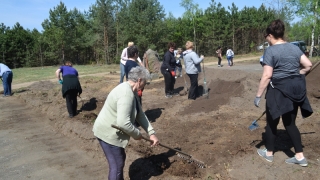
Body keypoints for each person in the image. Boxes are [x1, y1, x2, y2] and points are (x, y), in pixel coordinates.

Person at [254, 19, 313, 167]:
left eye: (266, 37)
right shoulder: (294, 48)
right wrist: (295, 74)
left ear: (270, 35)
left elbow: (267, 75)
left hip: (277, 91)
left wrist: (258, 95)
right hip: (293, 91)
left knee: (272, 123)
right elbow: (308, 65)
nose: (266, 40)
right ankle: (300, 157)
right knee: (290, 123)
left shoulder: (271, 51)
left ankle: (269, 153)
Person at [92, 66, 159, 180]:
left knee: (119, 159)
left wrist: (151, 133)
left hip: (109, 130)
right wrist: (137, 134)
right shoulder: (126, 94)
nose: (145, 85)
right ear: (139, 80)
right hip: (108, 133)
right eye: (145, 82)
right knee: (117, 165)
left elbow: (140, 114)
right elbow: (123, 123)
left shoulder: (131, 91)